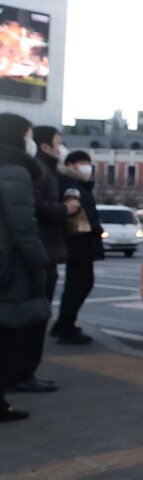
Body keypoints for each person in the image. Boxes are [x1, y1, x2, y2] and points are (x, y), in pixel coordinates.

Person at [12, 125, 77, 393]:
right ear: (45, 146)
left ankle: (24, 372)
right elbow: (33, 209)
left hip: (45, 249)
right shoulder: (37, 170)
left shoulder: (43, 168)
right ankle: (23, 373)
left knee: (35, 316)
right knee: (34, 317)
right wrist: (65, 208)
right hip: (41, 252)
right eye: (58, 143)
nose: (61, 148)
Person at [0, 114, 52, 421]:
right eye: (28, 134)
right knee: (7, 337)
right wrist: (39, 261)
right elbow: (23, 227)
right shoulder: (17, 173)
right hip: (9, 268)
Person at [51, 149, 104, 345]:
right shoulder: (71, 185)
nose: (87, 167)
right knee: (80, 284)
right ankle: (66, 327)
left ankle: (63, 324)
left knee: (77, 284)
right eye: (82, 163)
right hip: (78, 240)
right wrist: (96, 229)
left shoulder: (79, 184)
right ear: (71, 165)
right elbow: (78, 214)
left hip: (80, 241)